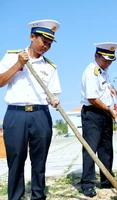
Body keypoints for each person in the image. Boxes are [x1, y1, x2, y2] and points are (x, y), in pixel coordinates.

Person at [0, 19, 61, 200]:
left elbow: (53, 93)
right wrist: (18, 64)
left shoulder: (50, 67)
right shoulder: (12, 56)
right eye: (44, 42)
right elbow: (0, 81)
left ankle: (38, 196)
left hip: (41, 115)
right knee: (16, 161)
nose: (47, 47)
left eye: (50, 44)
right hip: (15, 115)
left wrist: (54, 99)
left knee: (39, 161)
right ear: (32, 36)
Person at [80, 42, 117, 197]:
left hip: (105, 113)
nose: (108, 63)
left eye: (110, 60)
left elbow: (104, 88)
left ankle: (106, 178)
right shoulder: (91, 72)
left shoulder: (103, 71)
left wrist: (112, 89)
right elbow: (92, 98)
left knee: (106, 148)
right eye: (105, 60)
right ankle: (87, 183)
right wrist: (109, 109)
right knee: (91, 149)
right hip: (93, 114)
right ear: (96, 56)